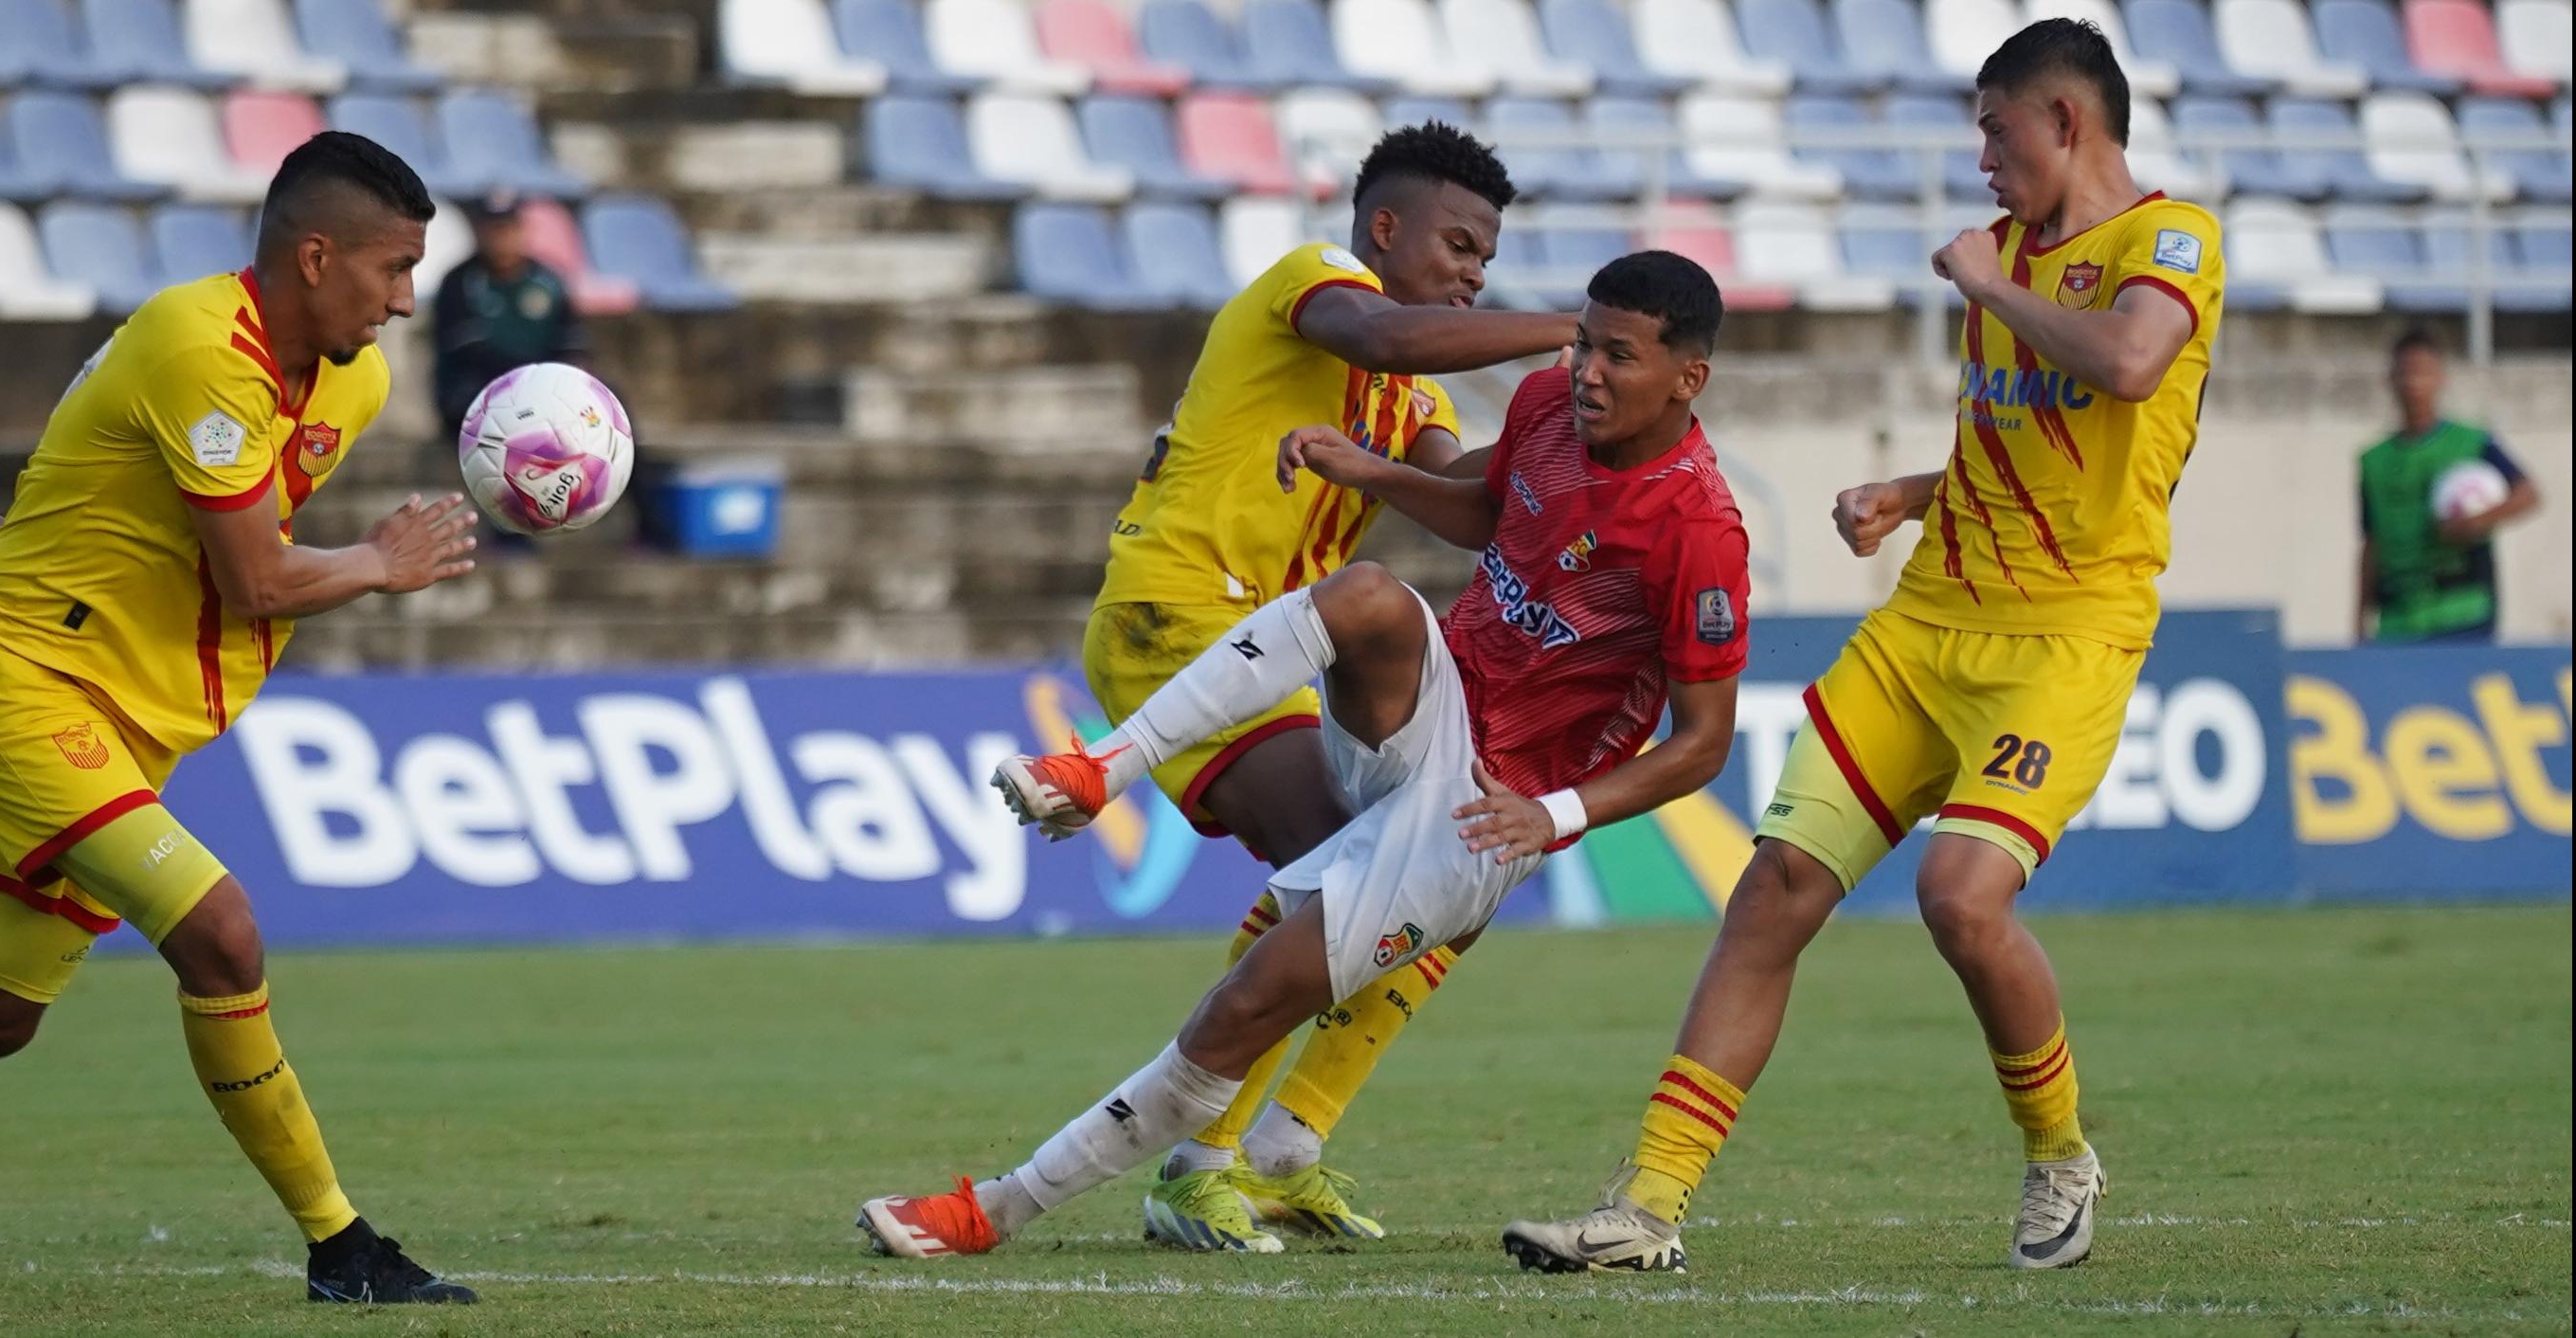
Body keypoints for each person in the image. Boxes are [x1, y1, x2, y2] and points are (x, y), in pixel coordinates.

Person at [0, 132, 486, 1305]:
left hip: (123, 708)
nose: (409, 300)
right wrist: (376, 560)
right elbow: (259, 576)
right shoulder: (198, 344)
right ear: (316, 257)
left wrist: (13, 522)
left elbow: (104, 441)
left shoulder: (349, 378)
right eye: (393, 268)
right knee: (221, 935)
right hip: (20, 687)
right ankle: (342, 1247)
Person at [1503, 18, 2224, 1277]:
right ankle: (1649, 1207)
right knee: (1773, 888)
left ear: (2066, 122)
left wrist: (1990, 288)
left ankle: (2059, 1151)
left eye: (1997, 134)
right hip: (1925, 624)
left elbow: (2124, 364)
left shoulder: (2166, 243)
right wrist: (1908, 488)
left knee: (1959, 896)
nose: (1983, 161)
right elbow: (2029, 448)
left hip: (2062, 642)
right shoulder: (2003, 254)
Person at [857, 250, 1751, 1259]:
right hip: (1434, 703)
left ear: (1687, 377)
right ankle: (1099, 767)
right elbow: (1488, 512)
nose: (1585, 368)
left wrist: (1550, 817)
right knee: (1366, 594)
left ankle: (1001, 1206)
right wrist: (1369, 470)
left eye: (1617, 355)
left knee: (1240, 1009)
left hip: (1481, 808)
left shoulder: (1698, 529)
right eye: (1583, 341)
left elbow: (1702, 741)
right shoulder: (1549, 405)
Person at [1064, 121, 1598, 1247]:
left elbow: (1468, 497)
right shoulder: (1316, 284)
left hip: (1279, 650)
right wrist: (1572, 328)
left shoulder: (1411, 404)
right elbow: (1388, 336)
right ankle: (1194, 1163)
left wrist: (1583, 441)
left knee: (1457, 858)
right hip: (1176, 615)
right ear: (1383, 227)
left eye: (1486, 259)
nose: (1471, 273)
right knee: (1344, 872)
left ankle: (1283, 1143)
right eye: (1457, 244)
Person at [2356, 328, 2542, 643]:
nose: (2414, 383)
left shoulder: (2471, 443)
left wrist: (2477, 521)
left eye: (2423, 372)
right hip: (2398, 619)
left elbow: (2528, 494)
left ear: (2441, 378)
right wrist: (2359, 623)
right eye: (2406, 372)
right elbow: (2370, 544)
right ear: (2390, 379)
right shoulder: (2373, 461)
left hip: (2463, 611)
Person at [432, 190, 585, 430]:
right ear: (480, 233)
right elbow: (470, 352)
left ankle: (633, 466)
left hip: (545, 387)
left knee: (604, 400)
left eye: (508, 229)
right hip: (479, 390)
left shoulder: (549, 280)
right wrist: (532, 381)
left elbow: (572, 345)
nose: (501, 239)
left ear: (522, 231)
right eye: (494, 230)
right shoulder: (458, 281)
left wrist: (550, 384)